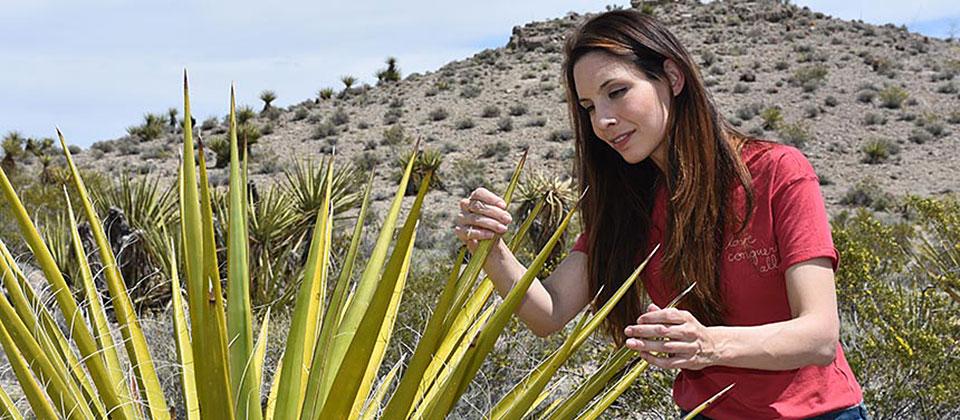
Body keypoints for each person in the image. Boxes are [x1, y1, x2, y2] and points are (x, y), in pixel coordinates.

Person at [453, 9, 867, 420]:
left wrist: (707, 345)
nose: (603, 121)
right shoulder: (628, 205)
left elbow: (818, 335)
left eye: (616, 92)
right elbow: (550, 312)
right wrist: (492, 252)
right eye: (588, 107)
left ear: (671, 77)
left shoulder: (776, 171)